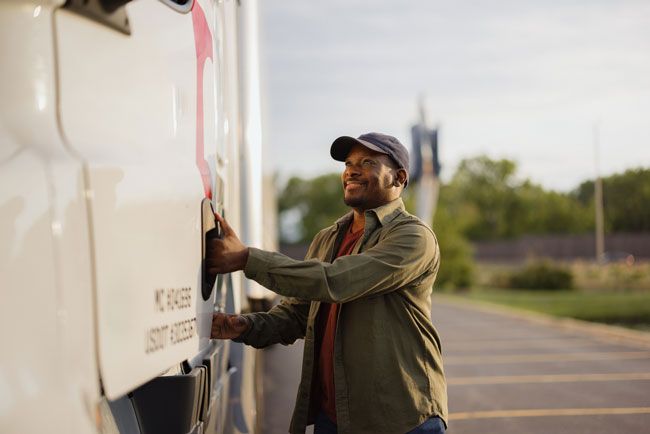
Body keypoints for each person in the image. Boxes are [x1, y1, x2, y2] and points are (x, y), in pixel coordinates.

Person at [208, 132, 448, 434]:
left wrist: (247, 259)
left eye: (368, 162)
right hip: (334, 418)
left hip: (400, 419)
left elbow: (336, 281)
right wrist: (243, 326)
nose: (352, 170)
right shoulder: (328, 237)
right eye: (348, 163)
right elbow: (299, 314)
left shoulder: (413, 237)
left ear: (398, 178)